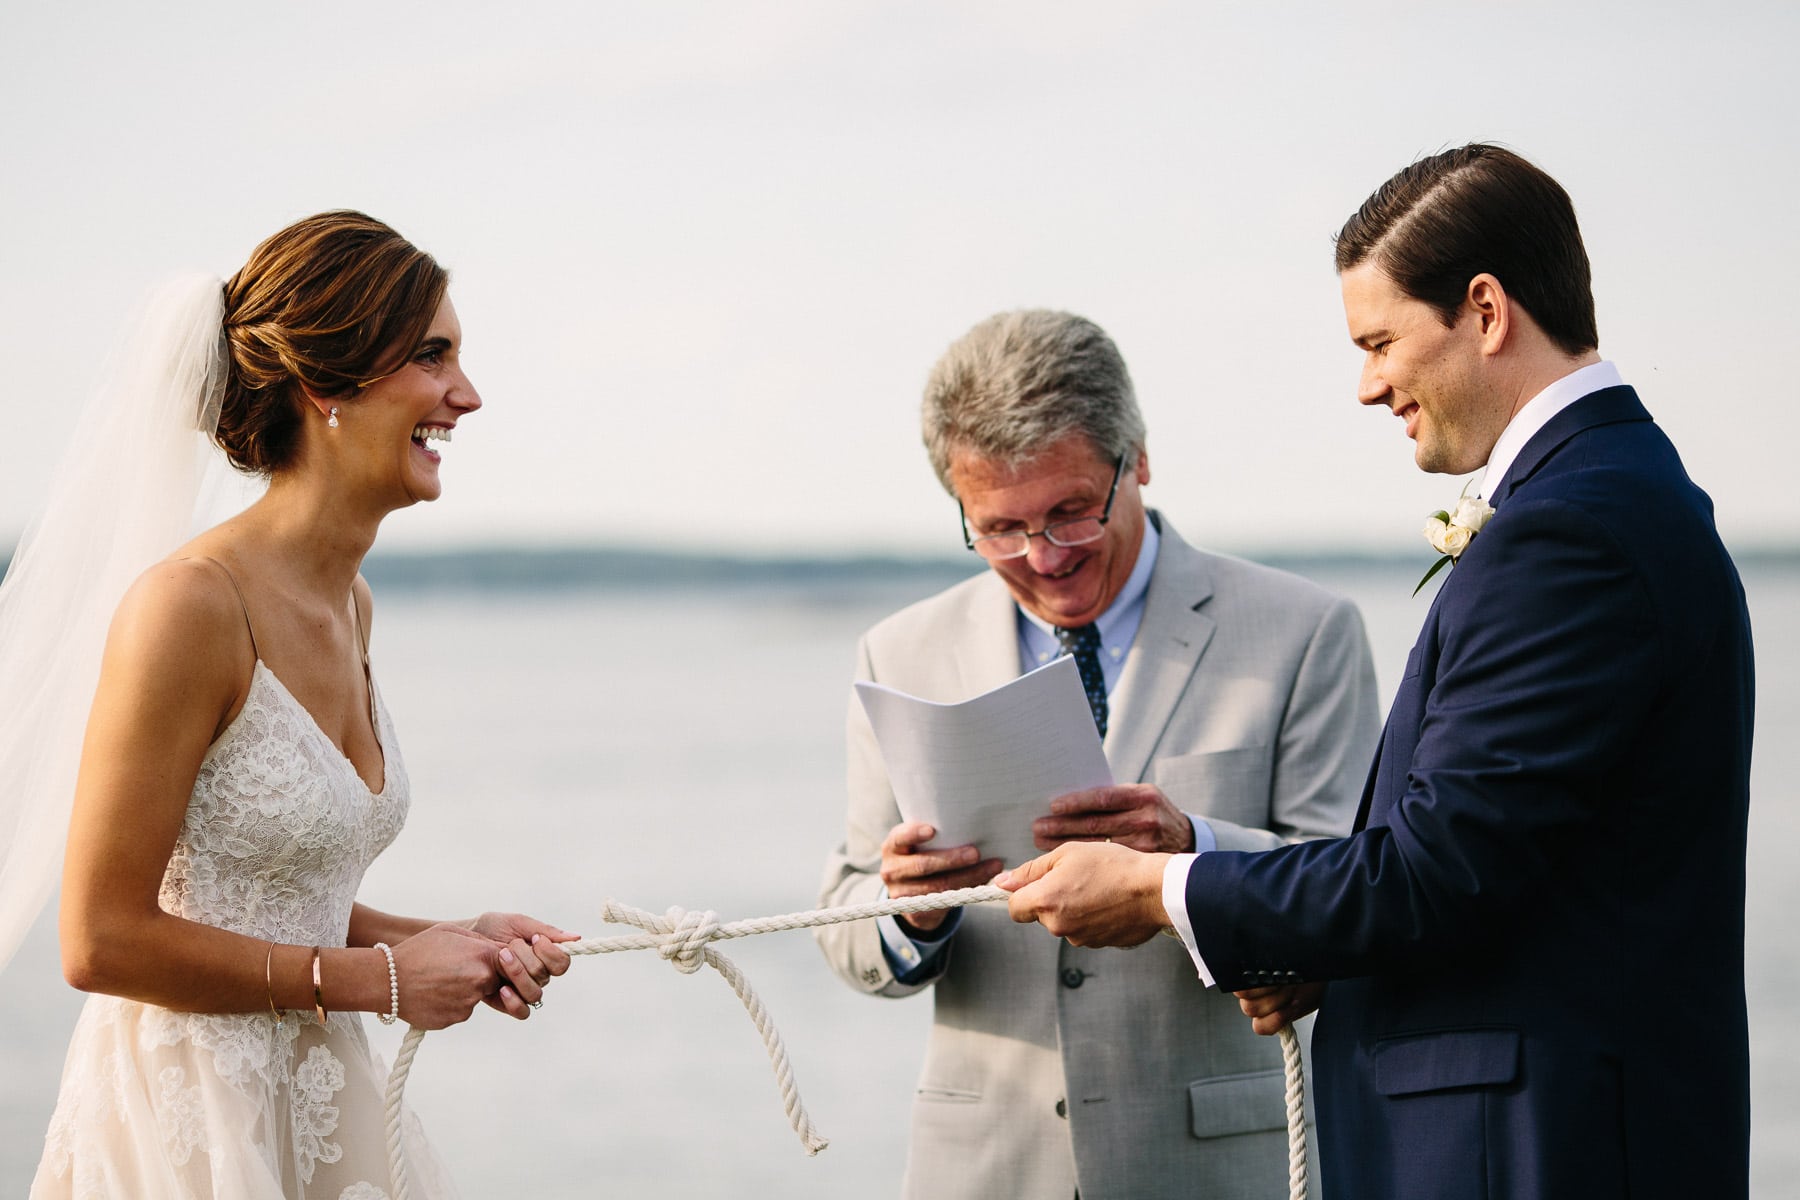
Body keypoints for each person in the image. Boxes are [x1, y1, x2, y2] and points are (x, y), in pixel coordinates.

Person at [997, 145, 1756, 1198]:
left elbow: (1435, 871)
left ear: (1485, 311)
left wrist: (1159, 888)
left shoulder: (1569, 531)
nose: (1366, 386)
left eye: (1381, 341)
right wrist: (1297, 930)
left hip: (1528, 1150)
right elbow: (1509, 864)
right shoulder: (1612, 493)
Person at [0, 212, 576, 1198]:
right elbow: (99, 937)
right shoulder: (188, 607)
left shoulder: (351, 602)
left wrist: (441, 941)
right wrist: (380, 984)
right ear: (324, 387)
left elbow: (272, 890)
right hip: (189, 1124)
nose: (466, 396)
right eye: (432, 357)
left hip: (321, 1099)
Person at [815, 309, 1380, 1200]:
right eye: (999, 528)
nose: (1043, 557)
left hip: (1220, 1162)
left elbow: (1361, 889)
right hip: (984, 1167)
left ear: (1139, 461)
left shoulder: (1305, 632)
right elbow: (843, 917)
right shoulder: (900, 652)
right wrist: (908, 913)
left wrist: (1193, 852)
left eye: (1071, 512)